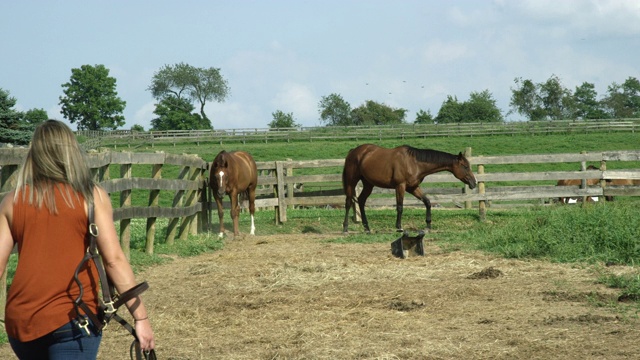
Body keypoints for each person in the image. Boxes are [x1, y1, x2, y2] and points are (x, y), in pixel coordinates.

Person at [0, 120, 155, 359]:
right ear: (71, 152)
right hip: (73, 318)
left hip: (22, 322)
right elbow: (113, 260)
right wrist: (141, 317)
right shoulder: (90, 196)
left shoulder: (12, 200)